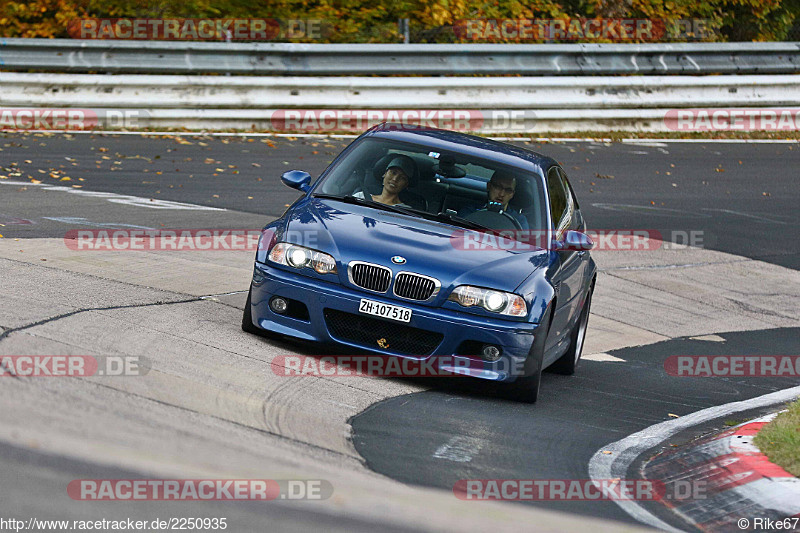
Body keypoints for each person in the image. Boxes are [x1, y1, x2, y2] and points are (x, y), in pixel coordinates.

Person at [459, 170, 529, 230]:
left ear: (512, 194)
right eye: (498, 187)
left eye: (508, 190)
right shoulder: (470, 212)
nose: (501, 194)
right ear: (489, 186)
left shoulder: (519, 221)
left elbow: (523, 244)